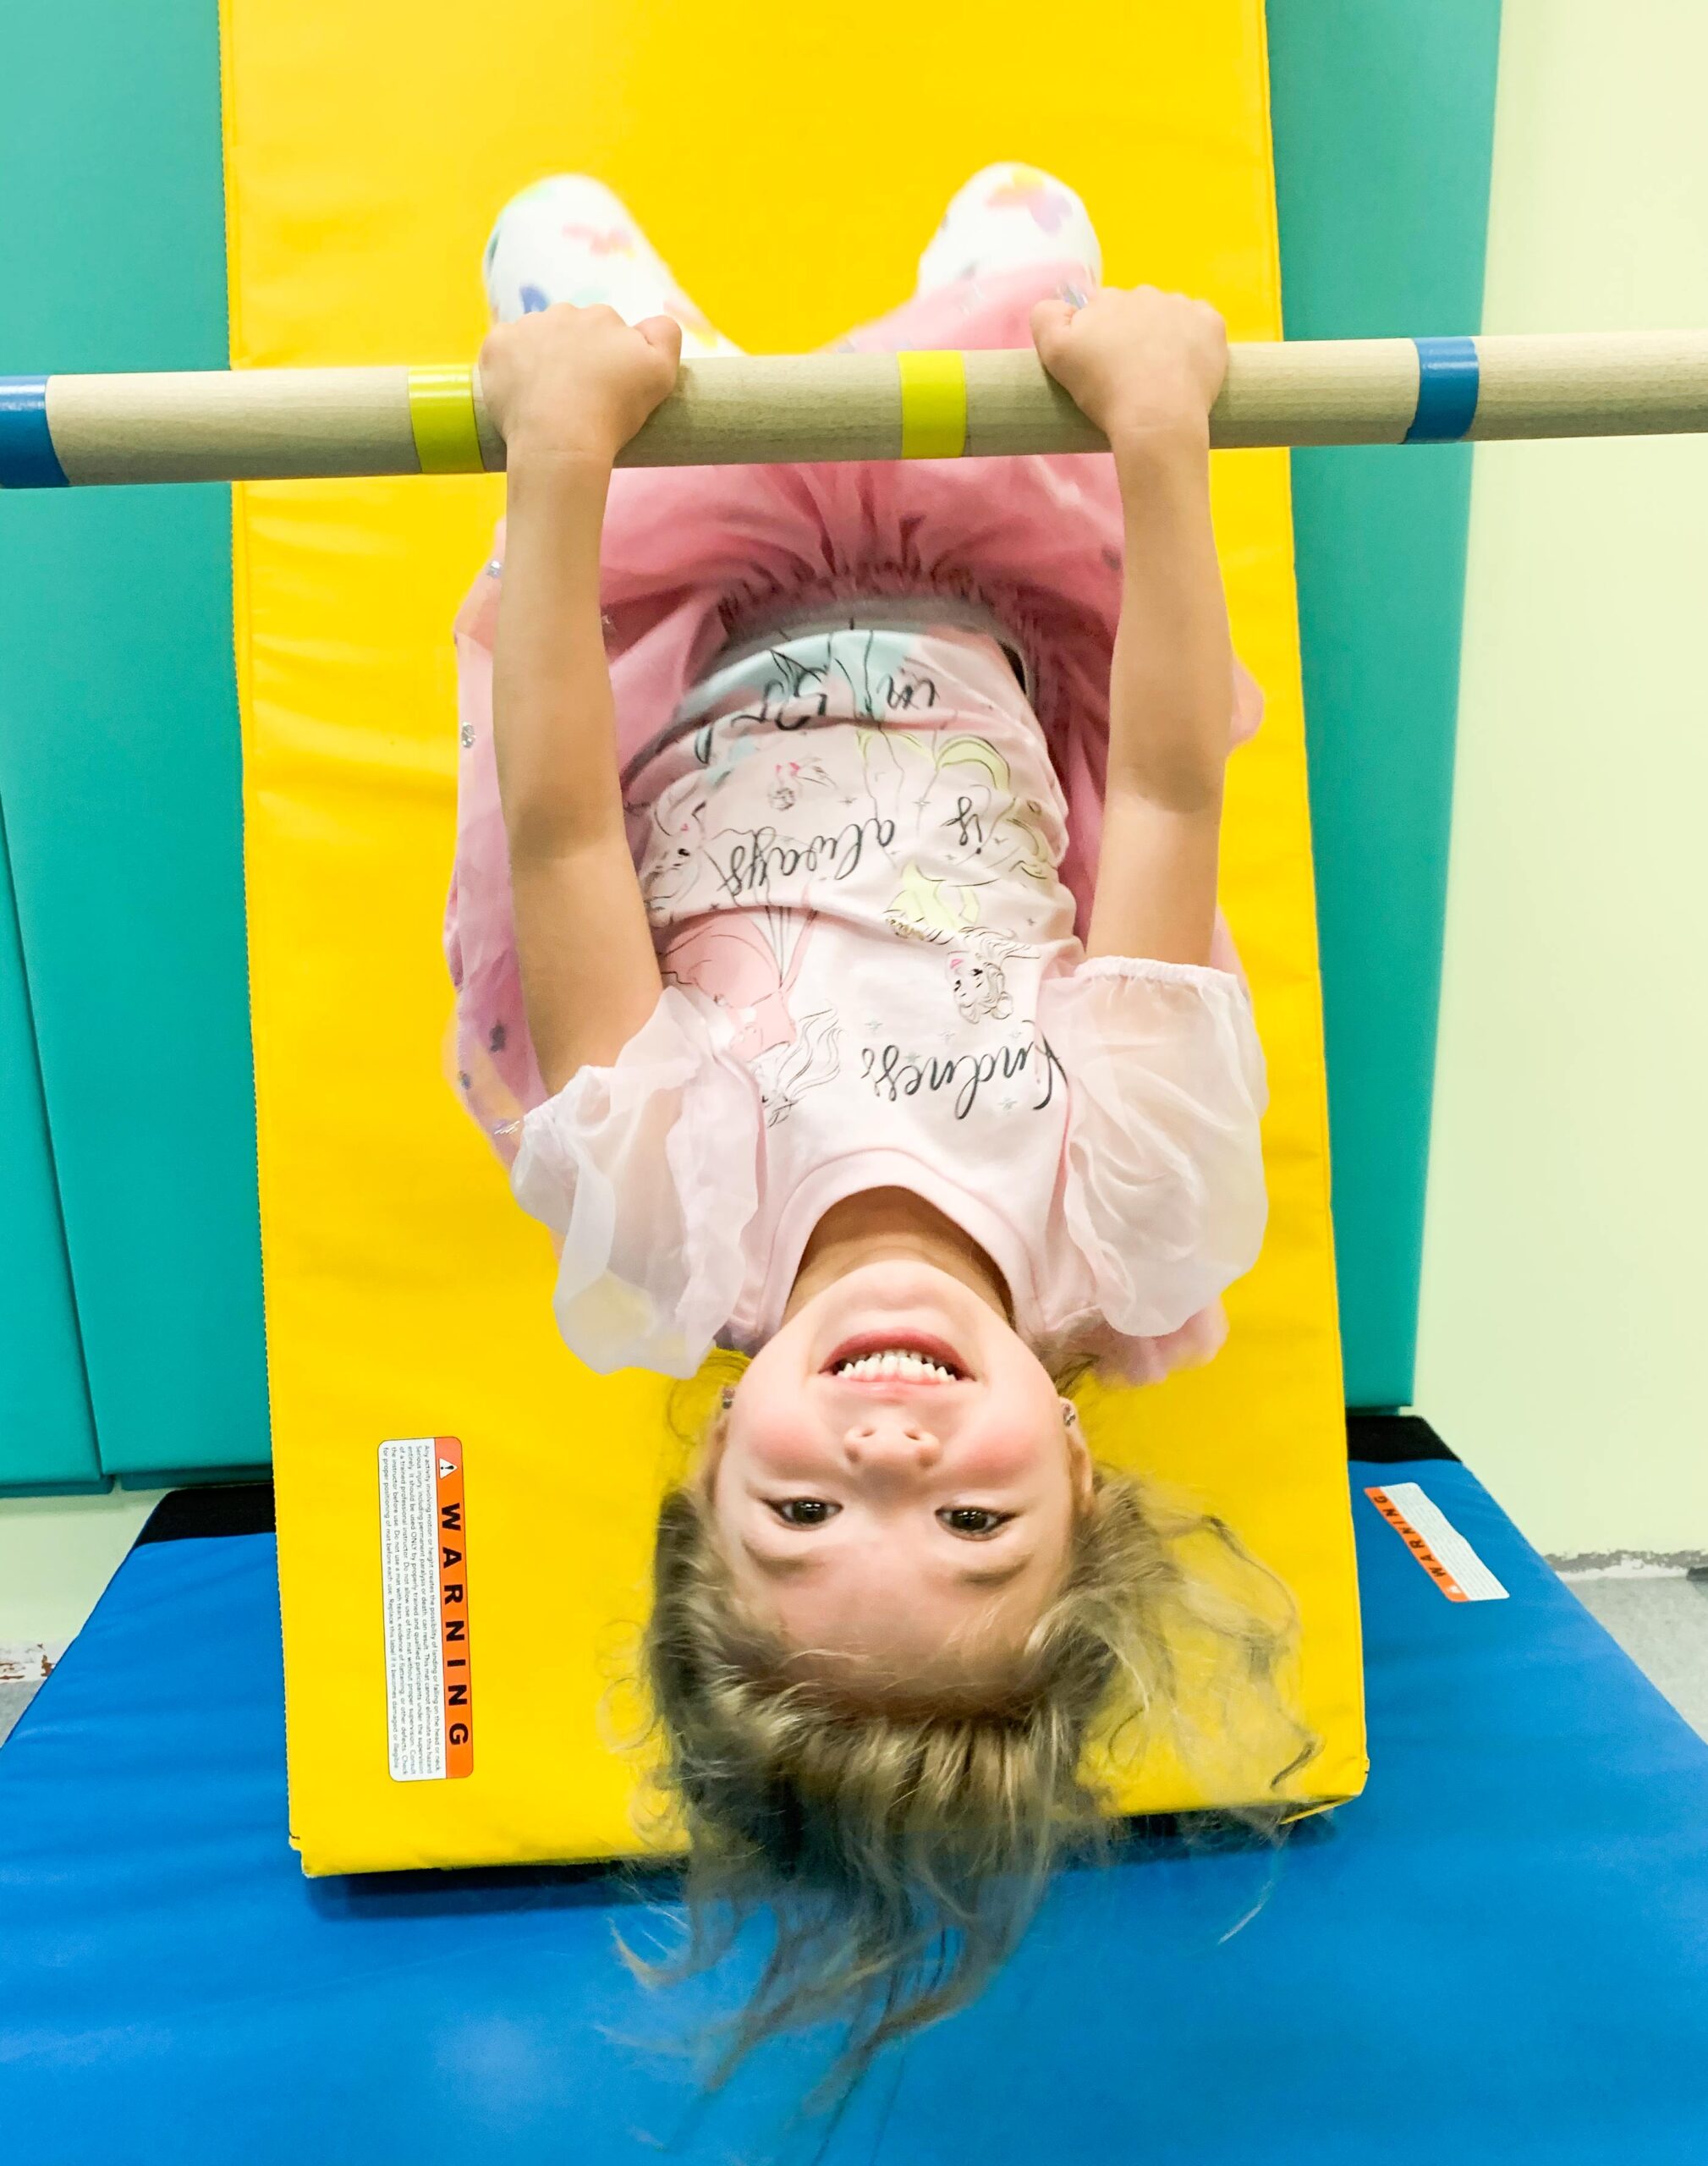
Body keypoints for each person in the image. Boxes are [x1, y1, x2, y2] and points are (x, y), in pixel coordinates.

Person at [448, 164, 1310, 2087]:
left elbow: (568, 820)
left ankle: (642, 338)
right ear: (1076, 1467)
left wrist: (562, 457)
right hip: (975, 571)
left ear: (707, 1479)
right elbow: (1164, 790)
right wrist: (1161, 440)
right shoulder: (1128, 1203)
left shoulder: (672, 1209)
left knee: (563, 241)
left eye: (805, 1506)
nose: (890, 1443)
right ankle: (979, 293)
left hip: (696, 584)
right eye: (973, 1517)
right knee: (1039, 246)